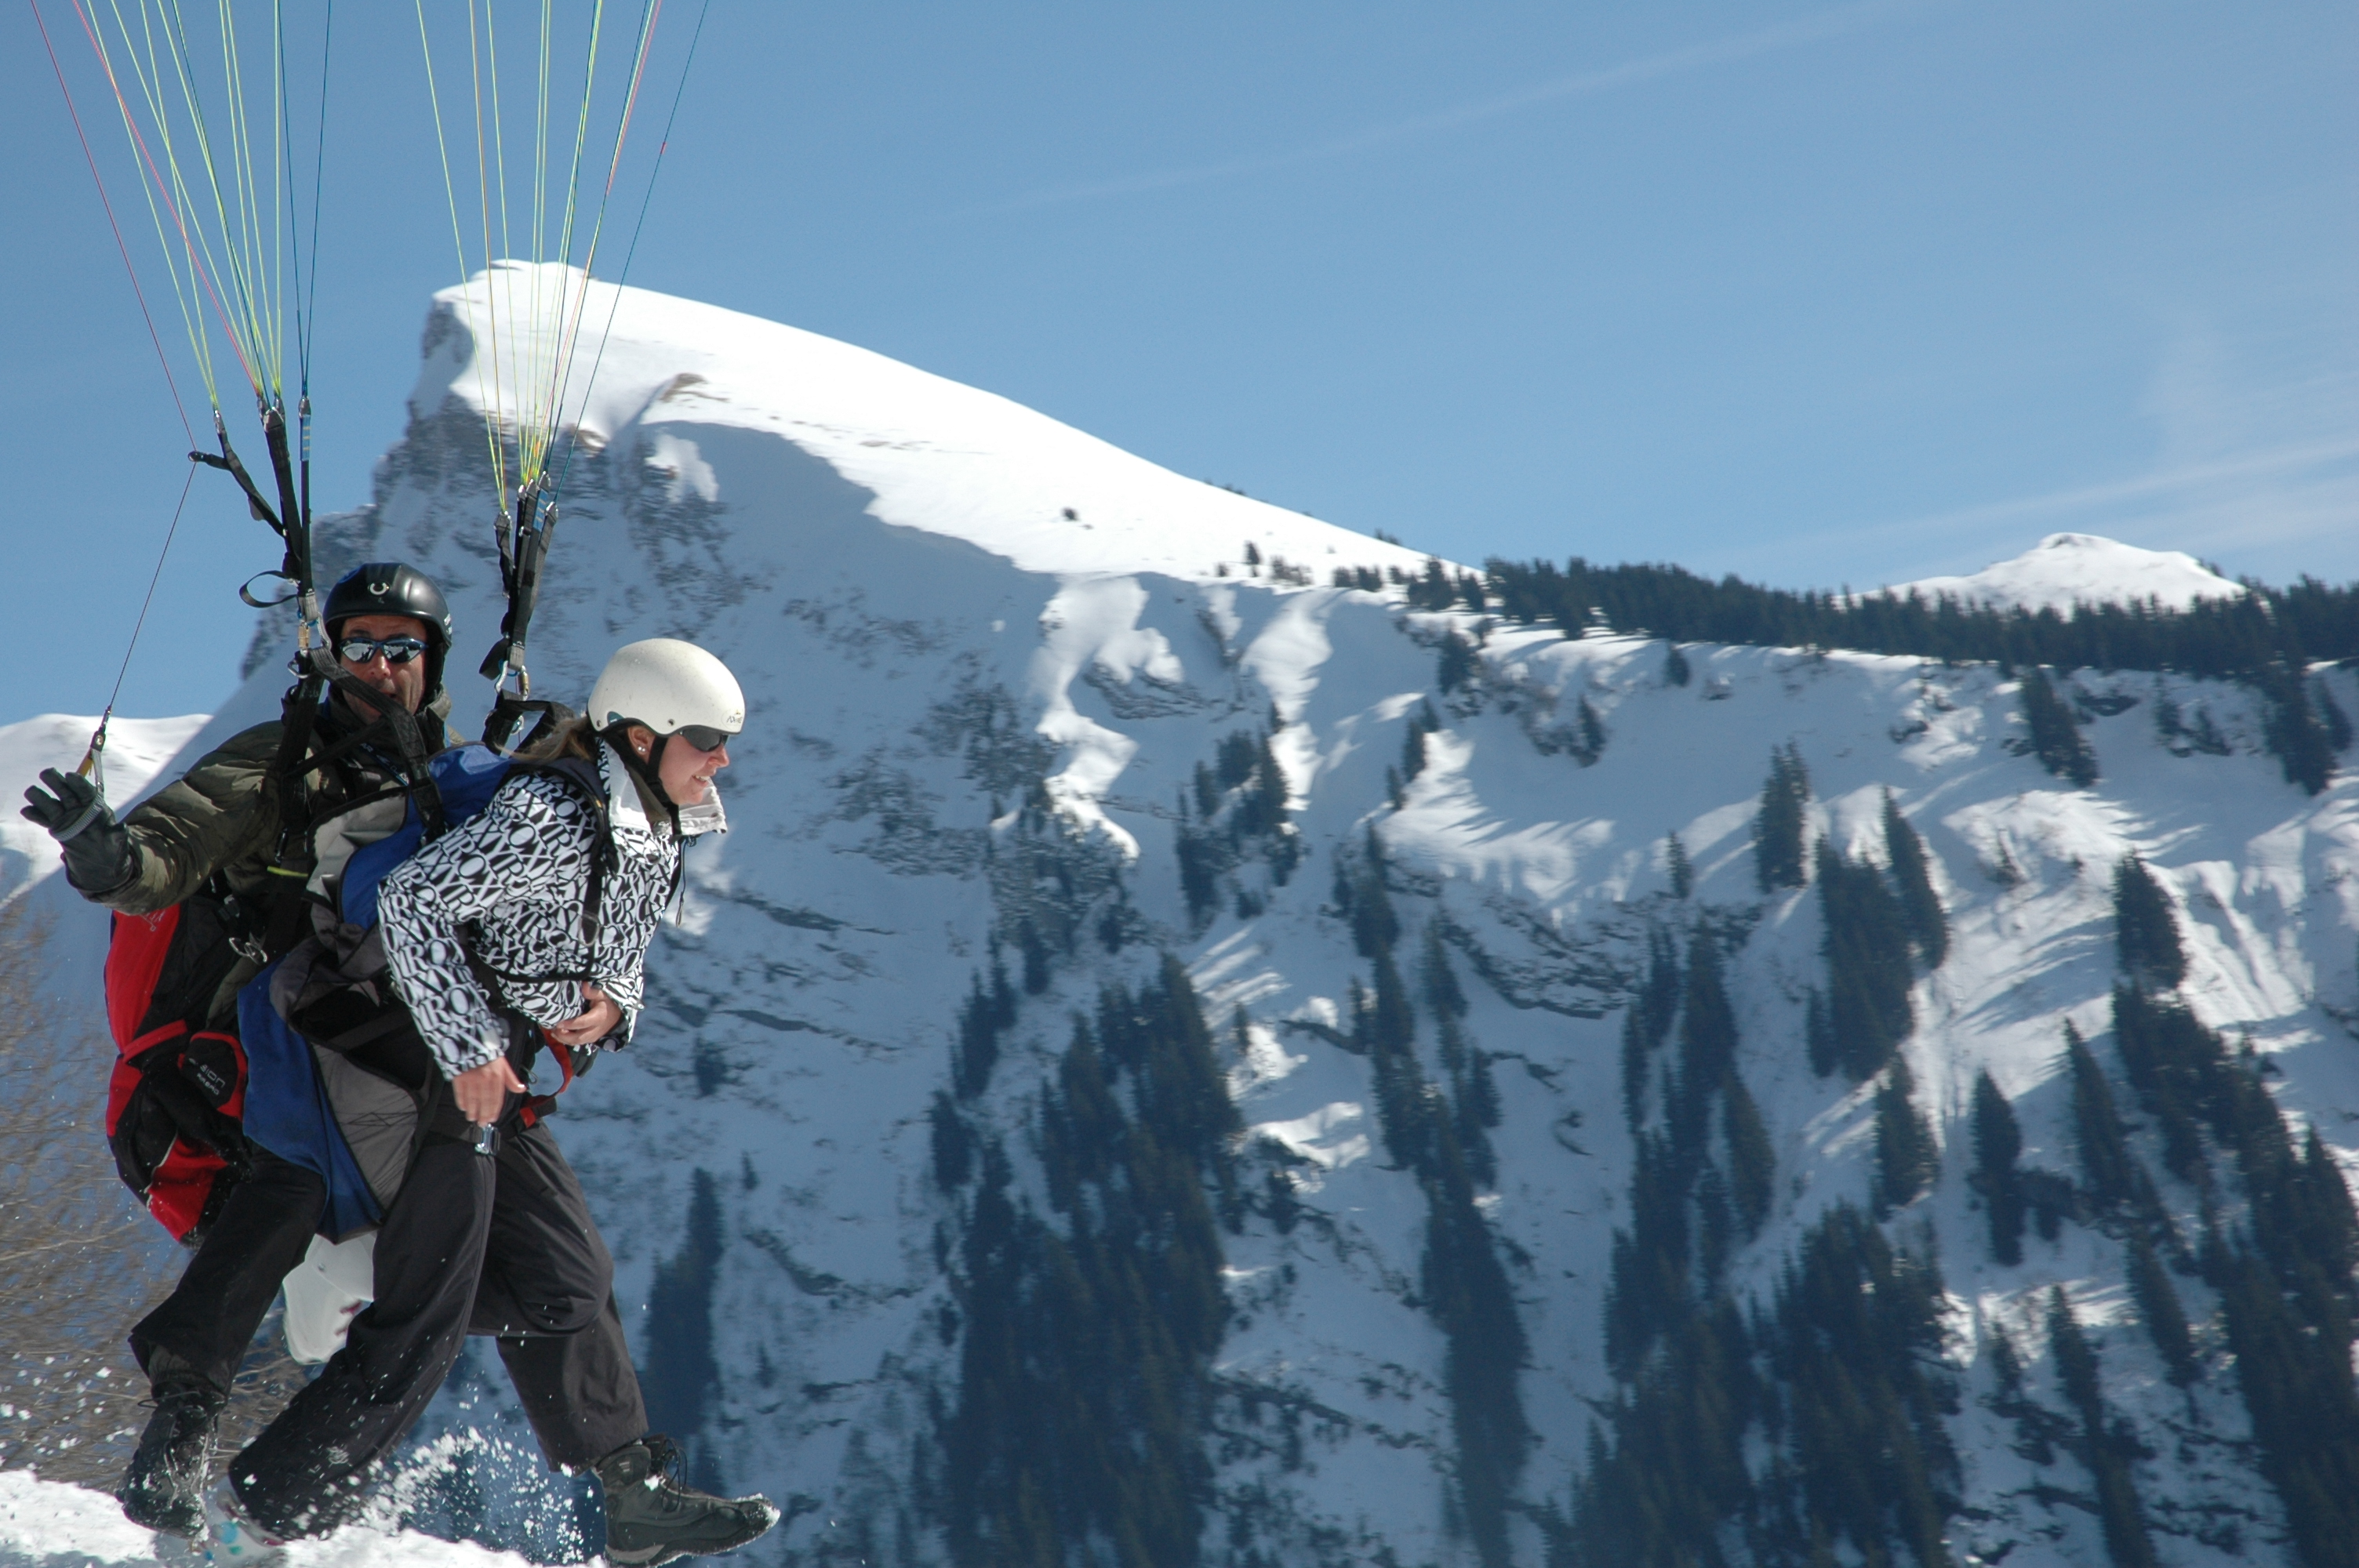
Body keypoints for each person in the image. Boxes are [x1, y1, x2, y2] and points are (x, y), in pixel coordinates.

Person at [224, 637, 779, 1568]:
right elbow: (412, 905)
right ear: (641, 737)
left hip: (504, 1075)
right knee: (429, 1313)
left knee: (569, 1283)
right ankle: (263, 1517)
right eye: (707, 739)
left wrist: (615, 1005)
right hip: (436, 1064)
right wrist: (467, 1045)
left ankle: (632, 1500)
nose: (722, 758)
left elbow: (616, 959)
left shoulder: (654, 824)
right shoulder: (554, 815)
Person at [18, 563, 458, 1537]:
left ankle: (316, 1485)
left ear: (434, 660)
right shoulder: (281, 763)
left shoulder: (459, 789)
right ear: (330, 656)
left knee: (470, 1252)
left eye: (403, 648)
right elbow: (170, 846)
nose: (382, 668)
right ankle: (182, 1424)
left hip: (397, 1081)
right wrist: (109, 856)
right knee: (294, 1173)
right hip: (251, 1069)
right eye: (360, 647)